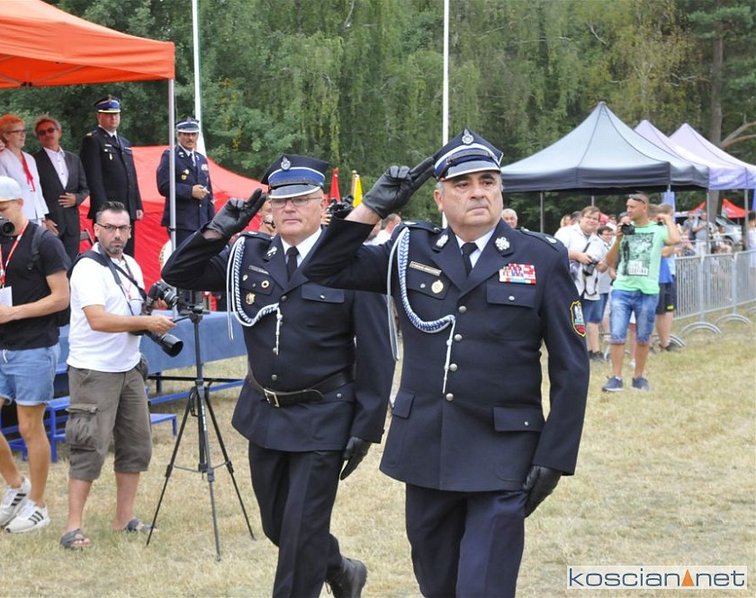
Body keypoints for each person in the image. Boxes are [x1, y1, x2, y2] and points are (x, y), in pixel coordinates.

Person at [303, 129, 589, 598]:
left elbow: (571, 367)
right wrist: (371, 208)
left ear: (500, 190)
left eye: (488, 181)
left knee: (484, 587)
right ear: (438, 197)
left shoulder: (540, 257)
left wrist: (555, 456)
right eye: (462, 184)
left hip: (503, 451)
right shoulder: (411, 249)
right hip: (427, 449)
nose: (478, 192)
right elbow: (321, 268)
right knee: (438, 584)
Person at [162, 154, 394, 598]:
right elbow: (178, 272)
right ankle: (342, 570)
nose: (289, 207)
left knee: (301, 533)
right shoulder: (249, 255)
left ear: (322, 204)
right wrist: (219, 229)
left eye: (301, 199)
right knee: (278, 526)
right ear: (268, 207)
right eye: (280, 199)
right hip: (264, 413)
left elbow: (377, 352)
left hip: (324, 414)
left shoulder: (351, 261)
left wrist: (366, 426)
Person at [60, 201, 175, 550]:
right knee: (88, 447)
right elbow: (98, 319)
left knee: (137, 446)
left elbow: (129, 311)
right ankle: (72, 527)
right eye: (110, 228)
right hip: (94, 370)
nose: (117, 235)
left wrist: (150, 309)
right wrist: (147, 321)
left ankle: (124, 519)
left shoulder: (131, 265)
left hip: (129, 367)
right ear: (96, 229)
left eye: (123, 228)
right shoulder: (87, 268)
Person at [0, 176, 70, 533]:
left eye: (2, 208)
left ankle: (38, 504)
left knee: (29, 427)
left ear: (20, 203)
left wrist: (15, 313)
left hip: (35, 345)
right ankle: (16, 486)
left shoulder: (45, 241)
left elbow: (62, 297)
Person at [602, 192, 680, 392]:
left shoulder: (657, 229)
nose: (628, 210)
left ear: (644, 207)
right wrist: (618, 240)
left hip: (647, 290)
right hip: (622, 289)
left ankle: (639, 377)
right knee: (617, 335)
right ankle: (616, 378)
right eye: (627, 207)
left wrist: (667, 219)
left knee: (643, 337)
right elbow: (609, 260)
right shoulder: (626, 230)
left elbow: (675, 239)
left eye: (632, 207)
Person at [79, 95, 143, 256]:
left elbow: (131, 175)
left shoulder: (124, 142)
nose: (113, 118)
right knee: (108, 252)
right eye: (108, 115)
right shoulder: (93, 140)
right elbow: (94, 179)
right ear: (99, 116)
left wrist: (137, 204)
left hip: (127, 207)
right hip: (108, 209)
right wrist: (103, 210)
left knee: (126, 253)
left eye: (116, 114)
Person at [554, 205, 609, 360]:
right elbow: (555, 252)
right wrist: (577, 256)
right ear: (581, 218)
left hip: (589, 290)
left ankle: (578, 355)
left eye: (595, 219)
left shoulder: (598, 241)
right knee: (567, 324)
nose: (591, 221)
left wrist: (602, 263)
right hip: (568, 287)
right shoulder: (566, 232)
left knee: (581, 325)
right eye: (589, 217)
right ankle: (565, 355)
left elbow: (603, 267)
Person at [33, 116, 89, 260]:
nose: (47, 134)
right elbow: (33, 194)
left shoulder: (73, 159)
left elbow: (85, 188)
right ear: (38, 138)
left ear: (59, 132)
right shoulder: (34, 161)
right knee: (53, 265)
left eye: (50, 130)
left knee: (71, 265)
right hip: (50, 225)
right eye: (42, 133)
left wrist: (76, 198)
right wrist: (44, 219)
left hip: (72, 225)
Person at [157, 117, 214, 246]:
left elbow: (209, 193)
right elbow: (164, 186)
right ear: (178, 135)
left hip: (202, 222)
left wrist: (211, 222)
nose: (190, 138)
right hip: (182, 222)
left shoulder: (201, 159)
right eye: (186, 134)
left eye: (193, 134)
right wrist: (190, 191)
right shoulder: (171, 156)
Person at [0, 114, 48, 225]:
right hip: (18, 215)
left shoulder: (30, 158)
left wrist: (43, 215)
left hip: (37, 213)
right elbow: (4, 193)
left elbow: (37, 187)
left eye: (24, 131)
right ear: (6, 135)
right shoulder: (0, 160)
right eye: (17, 132)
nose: (22, 135)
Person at [654, 203, 680, 352]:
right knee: (657, 312)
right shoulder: (657, 230)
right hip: (657, 277)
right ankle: (651, 343)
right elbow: (663, 252)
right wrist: (674, 241)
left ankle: (665, 342)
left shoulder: (664, 231)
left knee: (666, 311)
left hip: (666, 276)